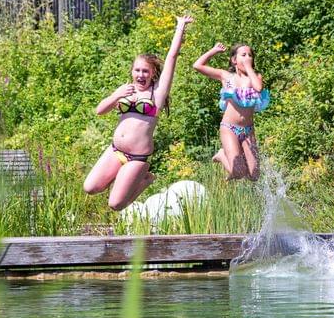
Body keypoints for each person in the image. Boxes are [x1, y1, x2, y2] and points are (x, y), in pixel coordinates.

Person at [83, 15, 193, 210]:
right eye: (137, 70)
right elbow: (100, 111)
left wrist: (180, 26)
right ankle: (121, 177)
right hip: (116, 151)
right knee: (90, 187)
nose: (141, 75)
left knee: (116, 204)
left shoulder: (157, 94)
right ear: (132, 71)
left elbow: (171, 57)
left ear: (152, 74)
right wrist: (116, 95)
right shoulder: (125, 90)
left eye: (145, 71)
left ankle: (144, 179)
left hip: (137, 158)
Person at [193, 42, 270, 180]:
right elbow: (197, 66)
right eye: (243, 55)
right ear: (234, 60)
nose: (247, 58)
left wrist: (247, 67)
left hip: (248, 130)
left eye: (250, 55)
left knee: (254, 176)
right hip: (229, 128)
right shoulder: (227, 77)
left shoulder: (255, 77)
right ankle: (222, 155)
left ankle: (233, 169)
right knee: (240, 173)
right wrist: (213, 51)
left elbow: (258, 88)